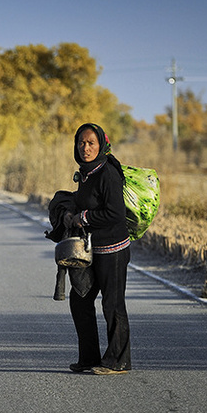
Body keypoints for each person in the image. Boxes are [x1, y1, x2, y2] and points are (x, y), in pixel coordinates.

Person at [64, 123, 132, 375]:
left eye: (91, 142)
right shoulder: (87, 173)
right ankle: (89, 358)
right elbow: (83, 201)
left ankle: (118, 360)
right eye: (81, 142)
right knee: (80, 300)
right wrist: (70, 212)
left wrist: (84, 217)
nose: (85, 147)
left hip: (112, 249)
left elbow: (115, 213)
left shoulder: (108, 173)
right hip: (90, 250)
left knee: (113, 305)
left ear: (101, 144)